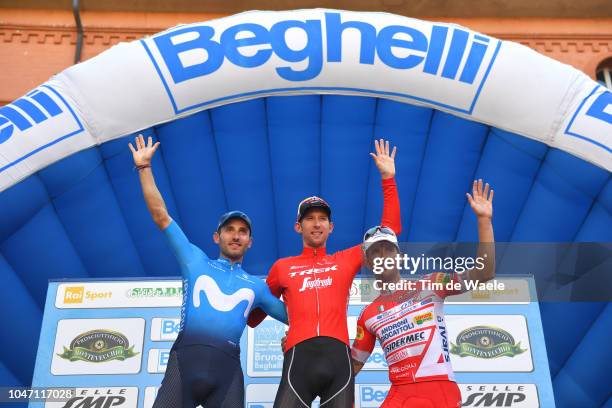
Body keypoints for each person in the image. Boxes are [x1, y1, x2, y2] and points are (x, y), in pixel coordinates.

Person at [129, 134, 288, 408]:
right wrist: (144, 168)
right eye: (229, 230)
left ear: (250, 242)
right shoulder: (194, 261)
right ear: (217, 237)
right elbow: (161, 215)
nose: (236, 236)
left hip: (227, 375)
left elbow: (296, 316)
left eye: (242, 232)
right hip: (184, 365)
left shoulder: (256, 286)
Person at [248, 139, 402, 407]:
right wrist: (292, 321)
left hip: (338, 360)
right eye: (310, 218)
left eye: (322, 219)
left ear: (332, 227)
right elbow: (252, 319)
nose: (316, 224)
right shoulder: (281, 267)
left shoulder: (345, 260)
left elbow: (389, 232)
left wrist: (388, 179)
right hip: (299, 359)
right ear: (298, 226)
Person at [351, 179, 496, 408]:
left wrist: (484, 221)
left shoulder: (432, 283)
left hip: (438, 390)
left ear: (399, 256)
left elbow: (484, 273)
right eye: (375, 252)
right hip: (400, 394)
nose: (383, 255)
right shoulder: (367, 315)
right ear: (368, 262)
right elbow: (352, 367)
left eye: (388, 249)